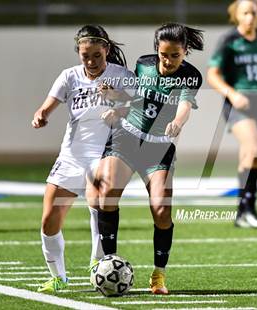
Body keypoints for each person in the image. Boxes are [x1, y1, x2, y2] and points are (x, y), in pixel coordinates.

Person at [91, 22, 203, 295]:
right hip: (128, 137)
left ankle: (158, 276)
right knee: (106, 194)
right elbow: (134, 98)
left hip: (159, 147)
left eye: (175, 55)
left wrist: (177, 122)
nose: (168, 61)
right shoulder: (143, 66)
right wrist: (114, 100)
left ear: (185, 52)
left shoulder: (191, 77)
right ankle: (109, 262)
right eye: (164, 55)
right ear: (157, 51)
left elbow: (185, 106)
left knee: (162, 211)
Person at [32, 24, 135, 293]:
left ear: (107, 51)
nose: (91, 62)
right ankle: (58, 276)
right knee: (49, 219)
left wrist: (115, 98)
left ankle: (96, 264)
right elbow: (47, 105)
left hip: (105, 152)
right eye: (85, 56)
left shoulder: (122, 76)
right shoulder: (69, 76)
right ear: (78, 54)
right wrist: (41, 115)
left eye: (97, 56)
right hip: (72, 154)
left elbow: (136, 108)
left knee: (97, 202)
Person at [207, 0, 257, 228]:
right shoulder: (229, 41)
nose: (250, 17)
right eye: (245, 13)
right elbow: (213, 75)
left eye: (254, 12)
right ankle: (249, 208)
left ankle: (243, 210)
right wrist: (231, 93)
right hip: (238, 103)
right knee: (254, 148)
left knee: (252, 156)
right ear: (236, 15)